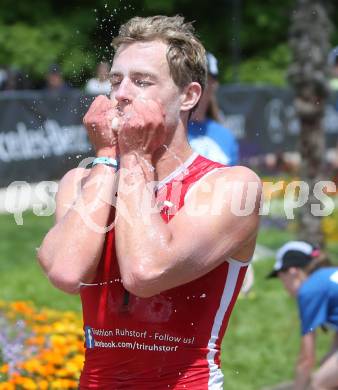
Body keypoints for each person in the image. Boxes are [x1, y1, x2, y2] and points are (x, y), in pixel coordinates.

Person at [38, 15, 261, 389]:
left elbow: (145, 272)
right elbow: (65, 272)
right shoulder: (82, 181)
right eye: (115, 80)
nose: (122, 93)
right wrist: (110, 155)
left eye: (142, 82)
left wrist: (137, 159)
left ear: (189, 96)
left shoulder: (231, 186)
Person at [267, 241, 338, 390]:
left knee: (318, 384)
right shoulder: (327, 278)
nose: (284, 286)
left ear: (293, 271)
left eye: (281, 278)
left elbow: (306, 359)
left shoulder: (310, 289)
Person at [188, 52, 239, 166]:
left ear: (214, 84)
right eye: (192, 77)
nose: (197, 83)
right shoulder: (171, 132)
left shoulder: (226, 137)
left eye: (203, 78)